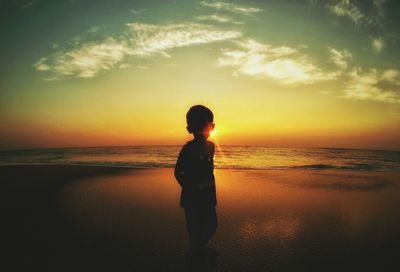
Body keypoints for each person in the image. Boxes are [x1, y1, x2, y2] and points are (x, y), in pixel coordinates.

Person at [174, 105, 218, 260]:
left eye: (207, 124)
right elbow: (178, 172)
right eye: (199, 125)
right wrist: (189, 188)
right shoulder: (188, 149)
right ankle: (195, 252)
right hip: (192, 197)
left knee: (212, 224)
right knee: (194, 227)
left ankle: (199, 248)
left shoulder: (211, 146)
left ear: (212, 126)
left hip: (209, 193)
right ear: (189, 129)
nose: (204, 129)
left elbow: (209, 169)